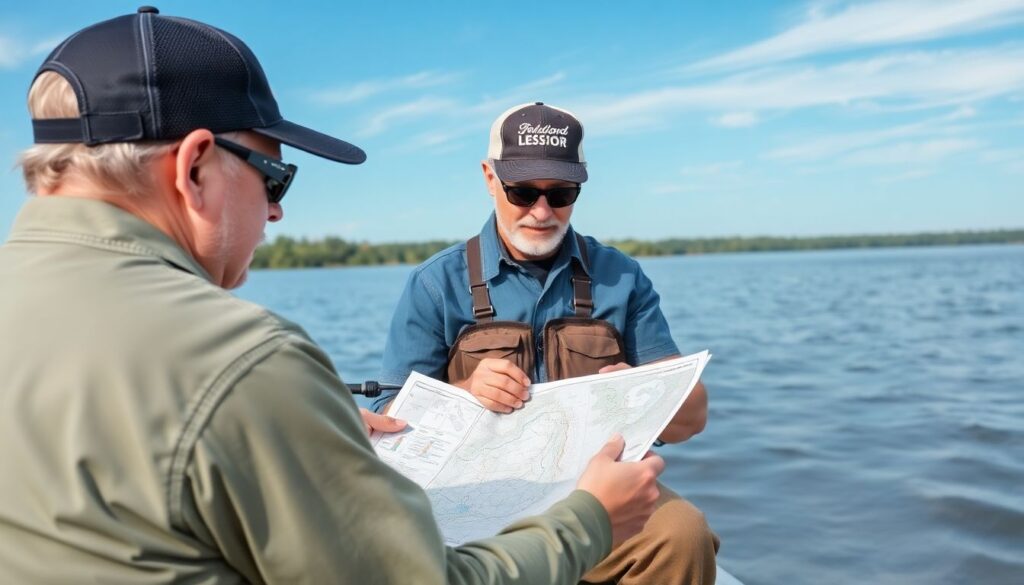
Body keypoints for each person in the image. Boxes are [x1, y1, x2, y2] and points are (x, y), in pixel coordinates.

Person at [0, 9, 667, 584]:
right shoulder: (248, 362)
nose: (276, 214)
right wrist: (590, 520)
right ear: (194, 165)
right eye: (275, 176)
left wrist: (313, 420)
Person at [377, 102, 719, 584]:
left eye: (560, 193)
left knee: (682, 532)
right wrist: (465, 396)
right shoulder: (435, 284)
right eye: (522, 192)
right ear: (489, 178)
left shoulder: (621, 276)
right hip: (475, 497)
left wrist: (646, 391)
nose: (541, 211)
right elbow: (389, 422)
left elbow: (693, 418)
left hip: (599, 494)